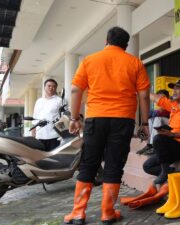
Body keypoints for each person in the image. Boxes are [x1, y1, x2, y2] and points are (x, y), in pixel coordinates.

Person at [64, 26, 150, 225]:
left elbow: (76, 90)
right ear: (126, 45)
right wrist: (145, 123)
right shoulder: (135, 62)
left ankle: (78, 213)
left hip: (95, 118)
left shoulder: (89, 60)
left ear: (106, 41)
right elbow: (144, 95)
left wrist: (75, 118)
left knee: (88, 163)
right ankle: (107, 213)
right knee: (114, 164)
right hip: (123, 120)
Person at [136, 89, 170, 155]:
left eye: (162, 98)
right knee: (149, 120)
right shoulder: (157, 108)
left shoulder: (169, 104)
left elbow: (159, 113)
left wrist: (152, 114)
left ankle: (154, 146)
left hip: (171, 126)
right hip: (161, 126)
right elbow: (149, 114)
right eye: (158, 98)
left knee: (157, 118)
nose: (159, 100)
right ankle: (149, 145)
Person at [32, 79, 63, 151]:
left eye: (53, 86)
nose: (51, 88)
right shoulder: (39, 101)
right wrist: (33, 131)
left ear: (56, 88)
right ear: (44, 87)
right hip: (40, 135)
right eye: (49, 86)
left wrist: (62, 134)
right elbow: (35, 117)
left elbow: (63, 118)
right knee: (40, 158)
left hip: (54, 135)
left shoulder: (59, 101)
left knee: (52, 159)